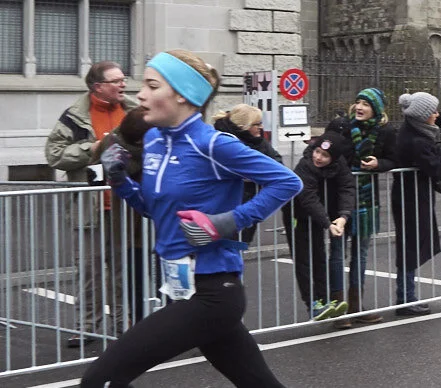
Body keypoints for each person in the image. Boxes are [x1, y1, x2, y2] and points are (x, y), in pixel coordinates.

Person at [83, 49, 298, 387]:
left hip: (212, 293)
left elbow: (287, 181)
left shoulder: (213, 145)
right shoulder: (153, 141)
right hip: (178, 286)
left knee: (102, 378)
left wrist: (226, 222)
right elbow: (152, 210)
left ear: (182, 94)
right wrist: (120, 180)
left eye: (152, 86)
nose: (140, 94)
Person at [45, 61, 142, 347]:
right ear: (97, 86)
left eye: (124, 80)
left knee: (124, 268)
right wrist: (94, 148)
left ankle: (125, 323)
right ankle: (87, 326)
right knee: (90, 269)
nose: (123, 85)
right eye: (116, 81)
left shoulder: (133, 111)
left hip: (128, 205)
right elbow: (55, 155)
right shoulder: (75, 116)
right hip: (90, 207)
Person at [388, 92, 441, 315]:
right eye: (433, 112)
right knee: (410, 247)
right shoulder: (417, 141)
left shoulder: (413, 127)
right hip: (410, 196)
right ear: (422, 115)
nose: (436, 115)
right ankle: (405, 298)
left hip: (411, 193)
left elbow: (428, 121)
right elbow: (437, 169)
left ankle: (407, 296)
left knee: (411, 244)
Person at [326, 88, 394, 325]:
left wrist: (379, 163)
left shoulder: (384, 132)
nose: (360, 107)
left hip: (366, 201)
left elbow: (394, 159)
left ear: (376, 109)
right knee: (336, 253)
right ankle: (337, 308)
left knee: (360, 254)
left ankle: (356, 306)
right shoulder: (340, 127)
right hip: (339, 198)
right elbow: (326, 155)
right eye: (358, 102)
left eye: (366, 103)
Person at [285, 132, 355, 324]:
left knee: (320, 258)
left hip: (321, 216)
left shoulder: (340, 165)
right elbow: (308, 198)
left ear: (334, 158)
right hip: (298, 215)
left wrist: (343, 216)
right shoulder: (304, 166)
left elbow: (347, 188)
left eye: (324, 156)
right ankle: (312, 304)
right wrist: (327, 223)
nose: (318, 157)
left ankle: (325, 301)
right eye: (317, 152)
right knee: (304, 260)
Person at [211, 104, 281, 243]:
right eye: (258, 124)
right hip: (224, 206)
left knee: (241, 246)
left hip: (249, 205)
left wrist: (256, 175)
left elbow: (278, 163)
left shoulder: (260, 142)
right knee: (226, 247)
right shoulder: (222, 141)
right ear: (244, 126)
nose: (261, 127)